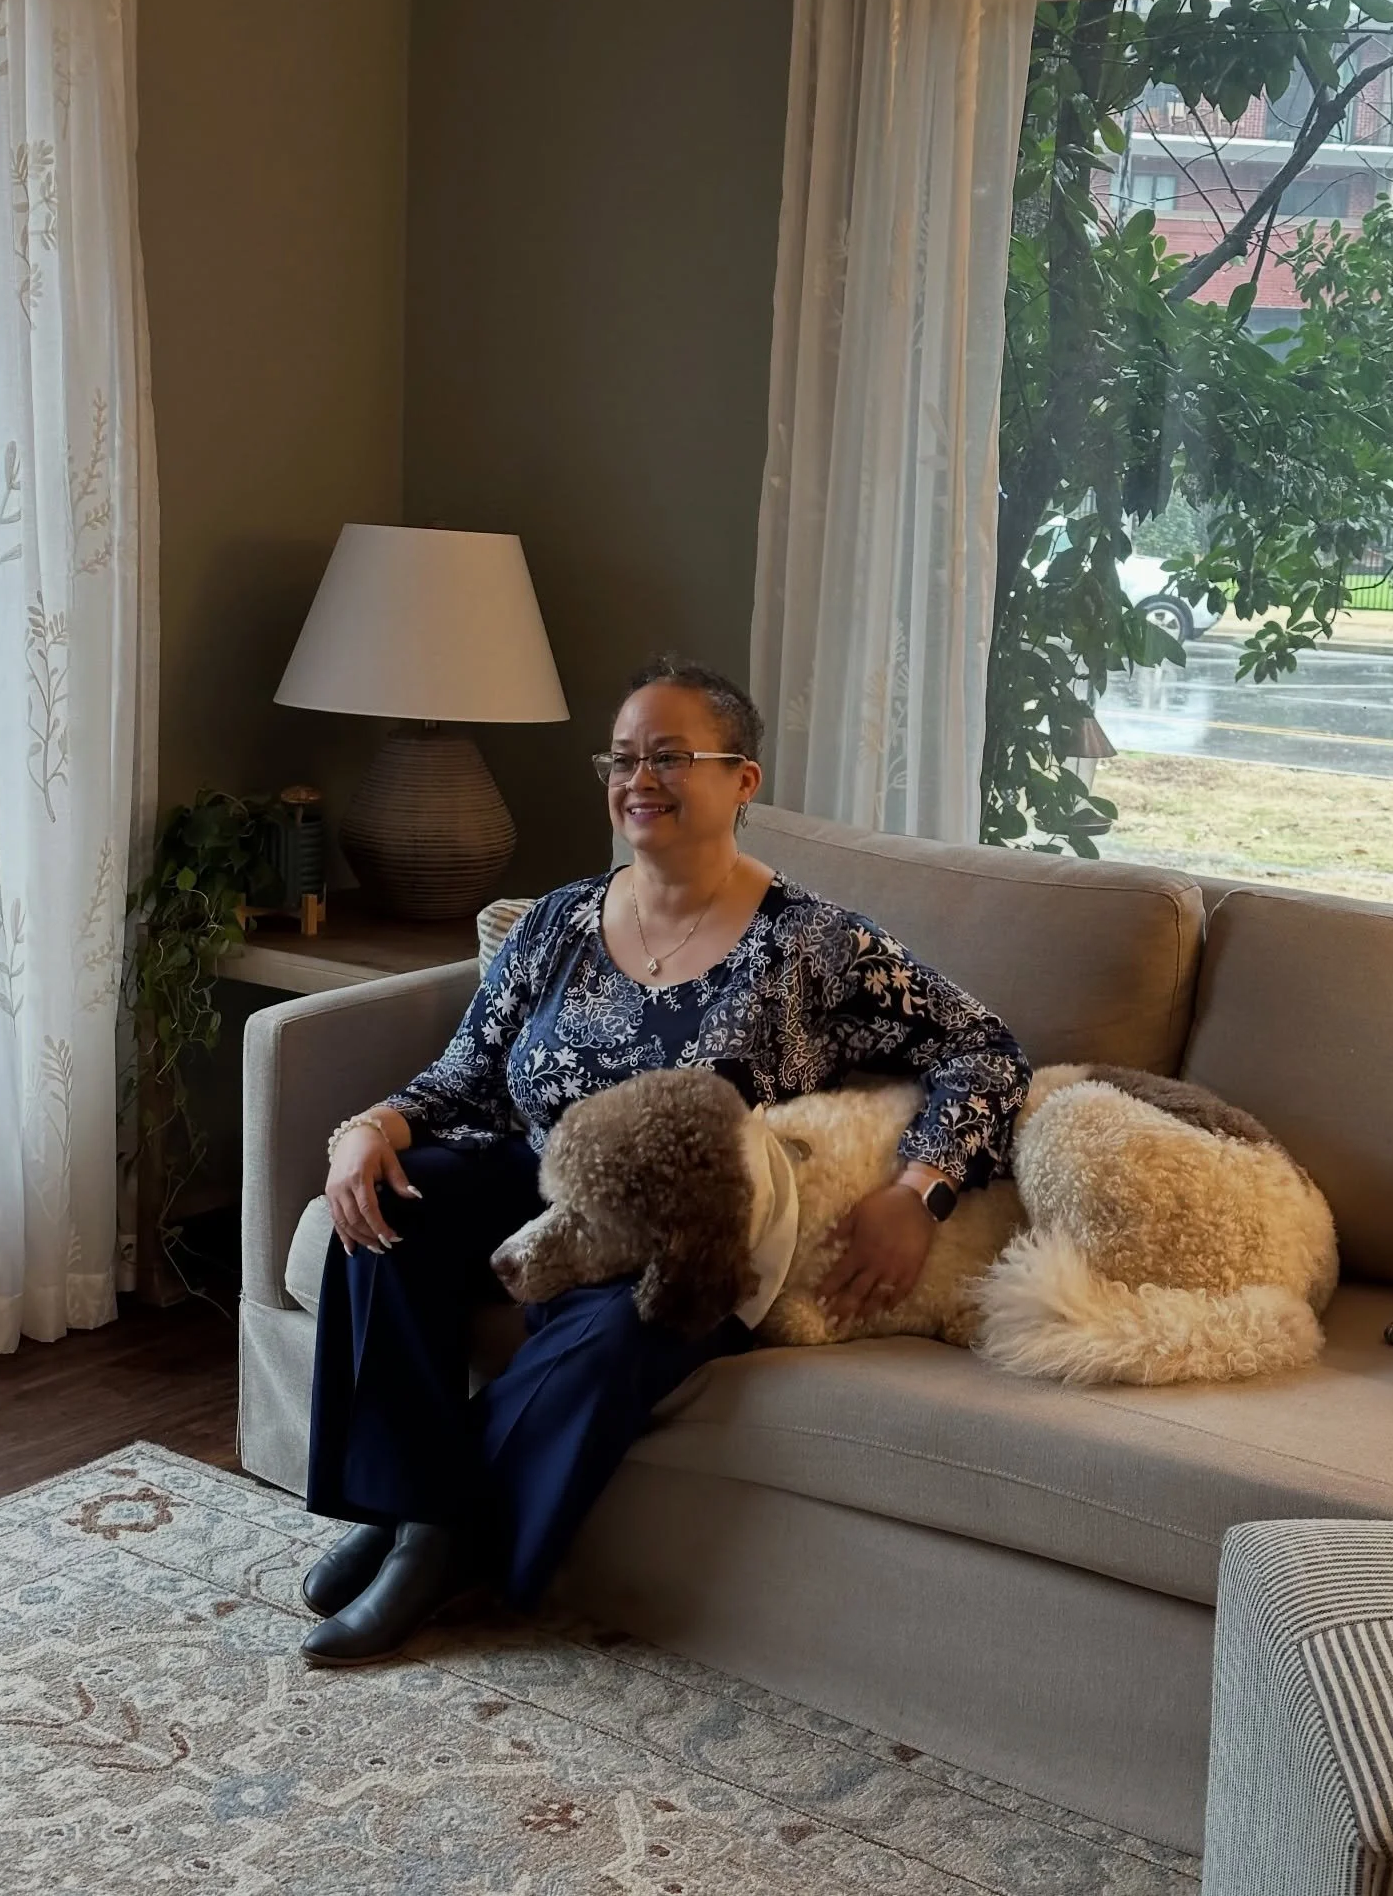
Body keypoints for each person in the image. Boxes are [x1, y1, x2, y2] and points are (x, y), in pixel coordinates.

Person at [301, 657, 1031, 1665]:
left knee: (619, 1334)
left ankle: (433, 1534)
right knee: (390, 1212)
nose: (639, 778)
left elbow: (983, 1049)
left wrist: (921, 1189)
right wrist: (369, 1128)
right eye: (623, 756)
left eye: (671, 756)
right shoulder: (555, 922)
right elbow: (465, 1073)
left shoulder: (813, 944)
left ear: (742, 779)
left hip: (689, 1226)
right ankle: (399, 1507)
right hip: (543, 1173)